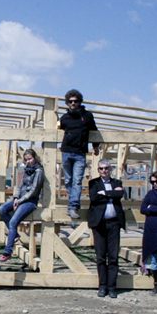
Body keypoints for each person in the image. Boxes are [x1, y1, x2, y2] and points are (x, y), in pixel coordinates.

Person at [0, 149, 44, 263]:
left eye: (30, 159)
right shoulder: (27, 170)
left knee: (13, 222)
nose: (28, 161)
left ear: (35, 158)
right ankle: (15, 235)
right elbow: (20, 186)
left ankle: (7, 252)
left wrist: (20, 200)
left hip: (30, 201)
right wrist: (15, 198)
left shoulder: (39, 171)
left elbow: (34, 190)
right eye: (26, 159)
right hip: (21, 199)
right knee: (2, 208)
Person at [59, 89, 100, 219]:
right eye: (70, 101)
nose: (73, 103)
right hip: (66, 152)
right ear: (67, 103)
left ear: (79, 102)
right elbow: (57, 132)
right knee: (68, 180)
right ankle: (72, 204)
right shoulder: (64, 118)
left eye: (75, 101)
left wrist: (95, 146)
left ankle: (74, 206)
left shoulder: (87, 116)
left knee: (77, 180)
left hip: (80, 153)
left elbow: (94, 131)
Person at [88, 159, 125, 299]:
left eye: (106, 168)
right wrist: (111, 194)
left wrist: (104, 193)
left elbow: (120, 195)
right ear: (98, 170)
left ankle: (112, 287)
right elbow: (94, 198)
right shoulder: (93, 183)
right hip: (99, 224)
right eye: (101, 168)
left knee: (114, 257)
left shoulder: (117, 183)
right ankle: (102, 286)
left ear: (111, 169)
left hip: (114, 223)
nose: (104, 171)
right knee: (101, 257)